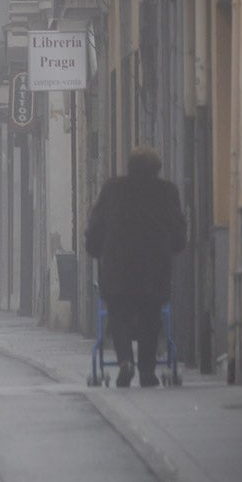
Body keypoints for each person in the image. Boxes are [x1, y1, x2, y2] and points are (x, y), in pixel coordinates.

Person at [84, 147, 186, 388]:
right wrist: (168, 250)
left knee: (118, 315)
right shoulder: (167, 192)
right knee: (151, 318)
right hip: (154, 270)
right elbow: (178, 233)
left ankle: (125, 362)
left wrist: (97, 251)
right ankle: (147, 371)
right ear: (157, 168)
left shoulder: (113, 189)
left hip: (117, 269)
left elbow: (97, 225)